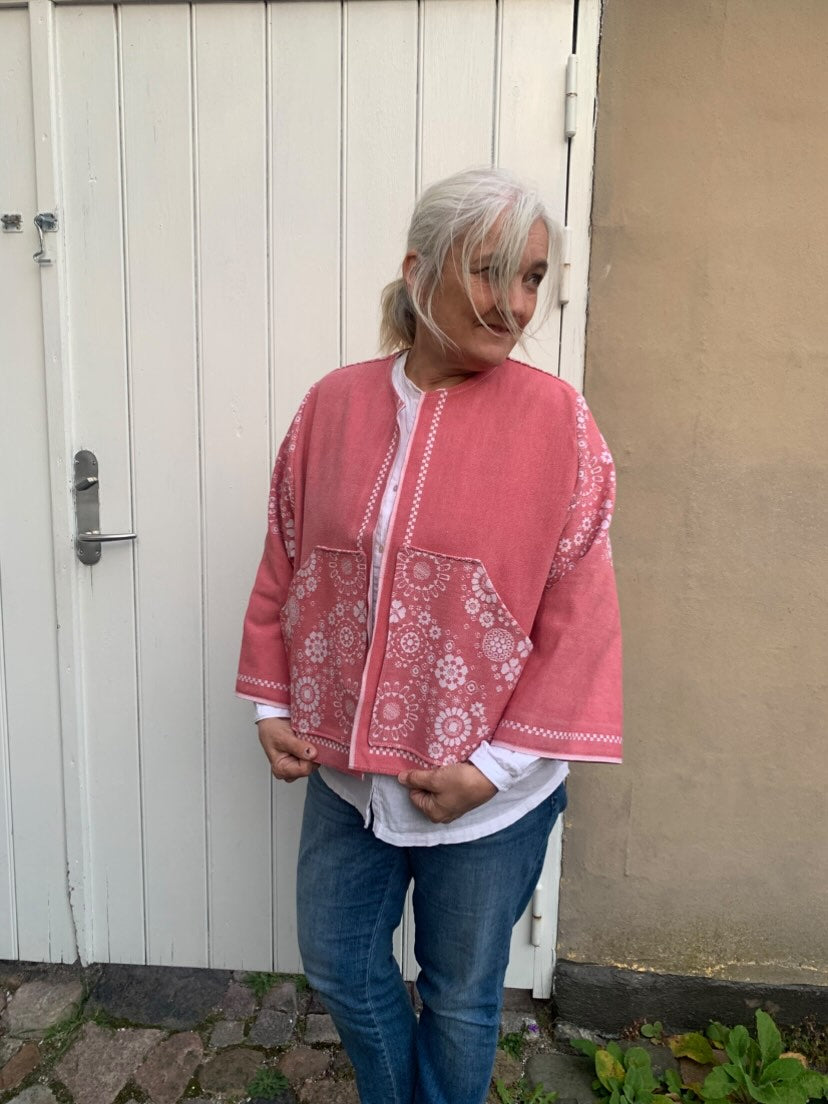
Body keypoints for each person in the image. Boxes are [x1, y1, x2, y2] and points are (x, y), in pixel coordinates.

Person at [237, 167, 622, 1104]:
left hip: (489, 797)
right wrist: (272, 701)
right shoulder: (333, 405)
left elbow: (580, 619)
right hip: (346, 778)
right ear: (420, 271)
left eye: (532, 277)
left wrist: (492, 769)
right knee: (339, 963)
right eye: (491, 271)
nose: (515, 304)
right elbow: (289, 557)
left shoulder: (558, 424)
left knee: (459, 997)